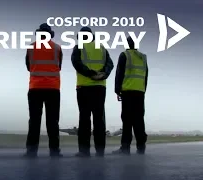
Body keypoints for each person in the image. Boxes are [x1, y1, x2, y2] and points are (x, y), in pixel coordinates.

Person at [71, 27, 114, 157]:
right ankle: (100, 151)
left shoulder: (79, 48)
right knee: (99, 119)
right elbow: (110, 64)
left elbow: (77, 63)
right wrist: (103, 75)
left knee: (84, 119)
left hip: (84, 87)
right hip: (100, 87)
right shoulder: (101, 48)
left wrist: (90, 74)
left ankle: (84, 151)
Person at [24, 23, 63, 158]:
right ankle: (54, 151)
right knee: (53, 121)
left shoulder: (31, 48)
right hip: (53, 88)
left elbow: (29, 66)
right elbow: (59, 66)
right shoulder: (57, 48)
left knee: (34, 120)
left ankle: (31, 151)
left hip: (35, 87)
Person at [112, 36, 148, 155]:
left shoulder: (125, 55)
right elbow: (145, 76)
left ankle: (125, 147)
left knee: (127, 120)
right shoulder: (143, 57)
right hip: (139, 92)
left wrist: (117, 90)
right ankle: (141, 146)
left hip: (128, 92)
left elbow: (119, 73)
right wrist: (143, 90)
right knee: (139, 119)